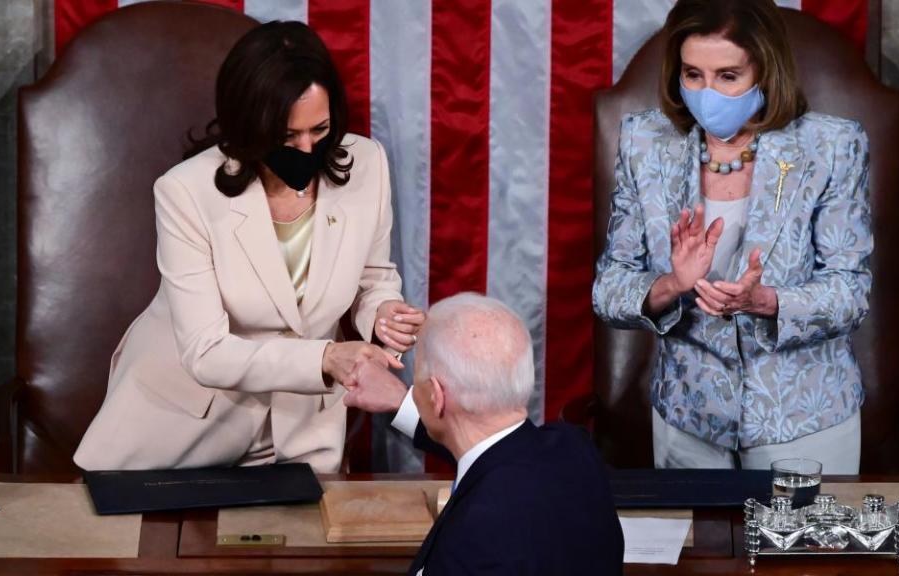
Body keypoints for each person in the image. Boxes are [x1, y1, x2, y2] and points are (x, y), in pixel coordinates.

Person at [74, 22, 424, 472]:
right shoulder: (185, 192)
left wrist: (381, 312)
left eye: (319, 130)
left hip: (302, 431)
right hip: (181, 427)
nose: (305, 149)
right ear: (247, 124)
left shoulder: (367, 164)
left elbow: (372, 277)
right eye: (286, 137)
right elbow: (206, 351)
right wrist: (326, 356)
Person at [592, 0, 872, 474]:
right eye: (692, 74)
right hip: (689, 417)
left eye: (727, 76)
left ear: (765, 70)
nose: (707, 93)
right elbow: (609, 290)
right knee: (700, 550)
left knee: (804, 552)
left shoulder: (831, 146)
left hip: (805, 418)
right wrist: (671, 286)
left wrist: (765, 301)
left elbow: (851, 294)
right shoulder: (645, 143)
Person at [344, 293, 624, 576]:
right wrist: (402, 400)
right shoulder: (574, 448)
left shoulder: (474, 539)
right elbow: (493, 450)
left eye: (417, 381)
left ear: (436, 396)